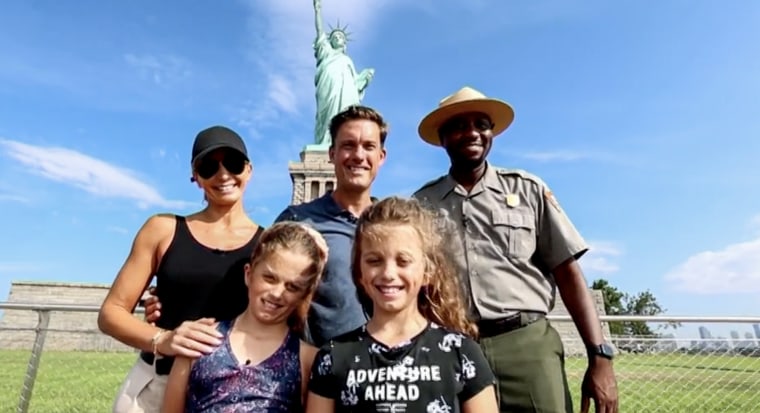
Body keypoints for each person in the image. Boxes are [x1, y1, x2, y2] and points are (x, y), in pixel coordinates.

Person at [412, 86, 619, 413]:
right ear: (443, 137)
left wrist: (600, 356)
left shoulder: (527, 190)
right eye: (459, 125)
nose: (472, 133)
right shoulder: (421, 204)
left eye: (481, 124)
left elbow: (568, 273)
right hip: (455, 348)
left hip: (527, 346)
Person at [98, 125, 264, 413]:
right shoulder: (162, 229)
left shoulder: (268, 244)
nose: (223, 174)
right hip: (156, 385)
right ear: (195, 177)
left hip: (233, 392)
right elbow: (111, 313)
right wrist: (164, 339)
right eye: (209, 167)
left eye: (233, 163)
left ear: (249, 170)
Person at [306, 196, 499, 413]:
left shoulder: (462, 353)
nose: (388, 274)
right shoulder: (332, 357)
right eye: (374, 261)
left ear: (428, 271)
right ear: (359, 272)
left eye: (403, 261)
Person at [161, 222, 329, 413]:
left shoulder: (308, 360)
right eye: (270, 278)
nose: (277, 293)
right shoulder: (200, 341)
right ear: (249, 274)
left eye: (292, 287)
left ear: (304, 294)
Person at [274, 104, 388, 347]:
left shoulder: (393, 223)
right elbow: (268, 294)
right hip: (322, 371)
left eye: (369, 146)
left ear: (381, 156)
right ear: (332, 153)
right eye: (348, 145)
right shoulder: (297, 220)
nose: (358, 155)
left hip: (385, 372)